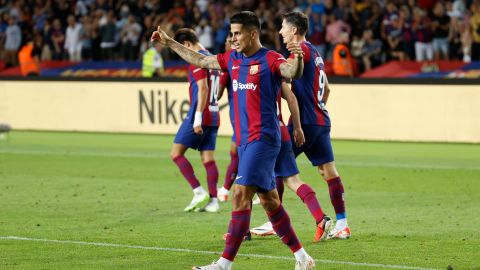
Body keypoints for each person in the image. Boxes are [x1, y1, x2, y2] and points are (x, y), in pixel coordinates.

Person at [151, 11, 315, 270]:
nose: (233, 38)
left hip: (264, 138)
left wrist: (297, 55)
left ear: (253, 34)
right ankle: (303, 258)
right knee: (271, 202)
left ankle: (223, 265)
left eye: (238, 33)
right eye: (232, 34)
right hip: (245, 142)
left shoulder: (271, 59)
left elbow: (292, 71)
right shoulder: (233, 59)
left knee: (239, 195)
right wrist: (170, 43)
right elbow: (201, 60)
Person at [278, 11, 351, 240]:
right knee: (328, 172)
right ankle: (343, 224)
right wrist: (316, 108)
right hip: (321, 121)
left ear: (293, 31)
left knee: (277, 167)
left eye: (283, 27)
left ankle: (275, 220)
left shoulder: (302, 51)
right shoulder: (316, 52)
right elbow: (327, 89)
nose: (280, 31)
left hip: (304, 122)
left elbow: (286, 78)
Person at [250, 81, 333, 243]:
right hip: (281, 131)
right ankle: (320, 218)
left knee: (247, 182)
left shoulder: (248, 74)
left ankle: (241, 232)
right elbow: (292, 98)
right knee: (292, 180)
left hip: (262, 134)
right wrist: (297, 127)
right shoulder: (273, 71)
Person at [169, 28, 221, 213]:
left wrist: (197, 117)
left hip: (200, 113)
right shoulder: (211, 56)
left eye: (181, 49)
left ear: (187, 45)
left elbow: (203, 88)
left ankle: (198, 191)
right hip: (214, 113)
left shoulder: (196, 58)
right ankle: (214, 201)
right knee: (207, 158)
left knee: (176, 153)